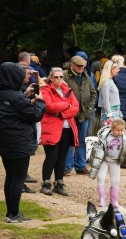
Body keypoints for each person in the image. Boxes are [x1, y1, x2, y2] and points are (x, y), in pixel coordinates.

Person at [0, 62, 46, 222]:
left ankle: (11, 212)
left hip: (5, 142)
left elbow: (14, 107)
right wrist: (40, 101)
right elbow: (34, 115)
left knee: (10, 176)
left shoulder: (6, 94)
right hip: (19, 142)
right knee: (18, 178)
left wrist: (25, 95)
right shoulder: (16, 97)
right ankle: (13, 214)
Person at [39, 67, 80, 197]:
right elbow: (49, 107)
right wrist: (66, 105)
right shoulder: (45, 90)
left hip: (67, 128)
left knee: (62, 157)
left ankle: (59, 183)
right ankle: (46, 183)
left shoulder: (68, 90)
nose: (59, 79)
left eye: (61, 77)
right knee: (51, 156)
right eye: (56, 77)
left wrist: (61, 112)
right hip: (52, 128)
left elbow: (76, 107)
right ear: (51, 78)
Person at [88, 118, 126, 209]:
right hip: (104, 161)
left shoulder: (125, 138)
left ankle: (114, 201)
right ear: (112, 129)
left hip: (115, 162)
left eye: (122, 130)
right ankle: (102, 199)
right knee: (101, 177)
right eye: (118, 130)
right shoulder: (104, 137)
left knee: (116, 181)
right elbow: (98, 152)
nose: (120, 132)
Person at [62, 55, 95, 176]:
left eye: (83, 66)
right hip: (70, 115)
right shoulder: (64, 75)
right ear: (72, 65)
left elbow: (93, 92)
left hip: (84, 114)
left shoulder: (85, 75)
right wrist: (67, 107)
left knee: (82, 141)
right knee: (69, 141)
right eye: (79, 66)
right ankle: (67, 167)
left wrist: (90, 108)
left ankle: (81, 166)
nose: (81, 68)